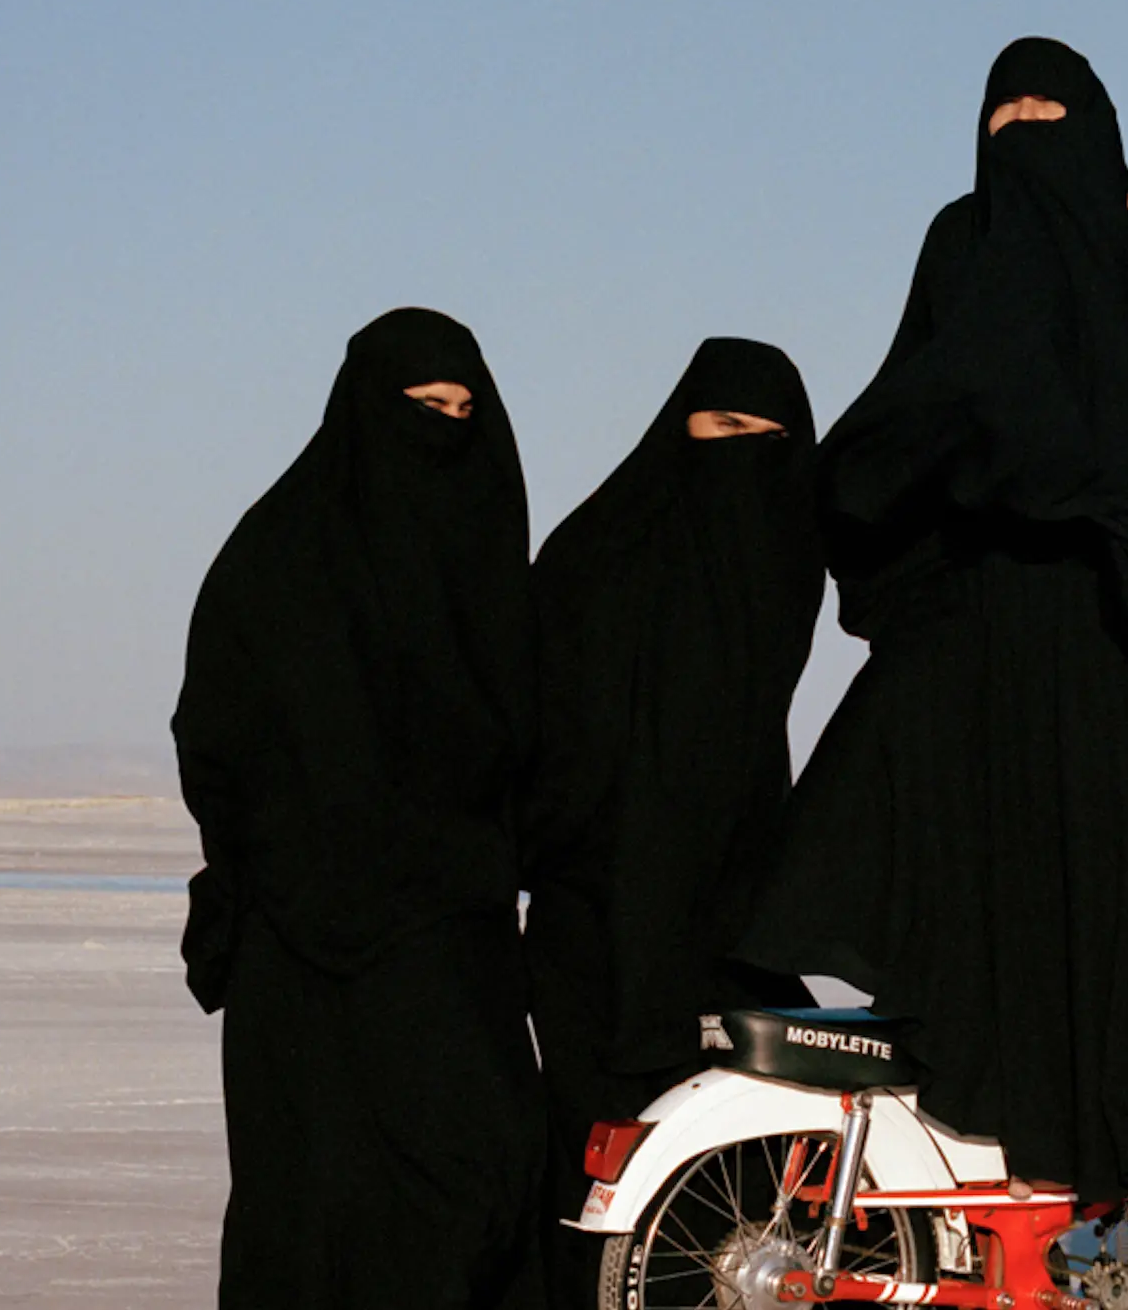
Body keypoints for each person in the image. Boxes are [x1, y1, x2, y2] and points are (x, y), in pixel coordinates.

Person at [736, 37, 1128, 1202]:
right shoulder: (963, 237)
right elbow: (934, 390)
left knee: (1084, 901)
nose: (1026, 130)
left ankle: (1052, 1196)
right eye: (1005, 115)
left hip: (1083, 621)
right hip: (972, 617)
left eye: (1052, 111)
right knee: (938, 887)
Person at [172, 308, 545, 1309]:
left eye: (466, 410)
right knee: (312, 1210)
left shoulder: (482, 575)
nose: (446, 429)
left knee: (482, 1179)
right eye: (423, 407)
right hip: (302, 946)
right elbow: (214, 735)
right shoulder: (277, 559)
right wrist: (290, 861)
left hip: (448, 932)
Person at [521, 337, 825, 1306]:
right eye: (726, 428)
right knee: (603, 1197)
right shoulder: (601, 557)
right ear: (679, 425)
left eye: (775, 441)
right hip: (600, 934)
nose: (748, 456)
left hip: (726, 934)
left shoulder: (773, 565)